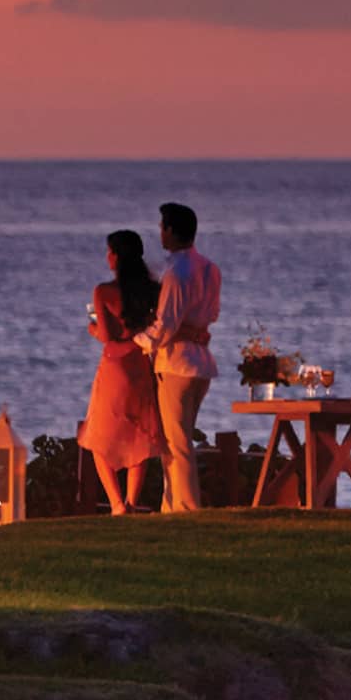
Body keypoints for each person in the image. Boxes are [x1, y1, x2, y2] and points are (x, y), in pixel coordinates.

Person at [134, 202, 221, 513]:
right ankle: (171, 505)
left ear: (170, 230)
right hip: (201, 363)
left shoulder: (176, 273)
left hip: (177, 364)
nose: (160, 232)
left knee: (175, 441)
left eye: (162, 227)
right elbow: (212, 313)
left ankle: (185, 507)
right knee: (178, 437)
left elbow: (166, 326)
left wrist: (137, 340)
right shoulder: (209, 269)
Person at [79, 229, 165, 515]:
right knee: (139, 435)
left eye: (110, 251)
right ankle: (131, 501)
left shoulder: (104, 292)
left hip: (115, 367)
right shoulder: (153, 290)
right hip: (140, 365)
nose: (107, 257)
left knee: (99, 437)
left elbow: (106, 336)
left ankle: (117, 504)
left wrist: (92, 328)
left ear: (117, 256)